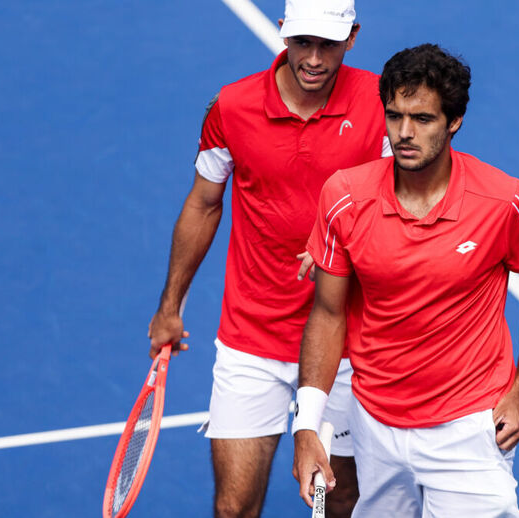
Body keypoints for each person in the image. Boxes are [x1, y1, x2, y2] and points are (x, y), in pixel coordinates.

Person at [292, 43, 519, 517]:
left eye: (422, 119)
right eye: (394, 116)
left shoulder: (503, 201)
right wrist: (308, 425)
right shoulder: (344, 197)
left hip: (468, 427)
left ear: (454, 121)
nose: (404, 133)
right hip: (375, 422)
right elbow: (328, 313)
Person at [147, 1, 391, 516]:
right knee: (233, 508)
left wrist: (340, 238)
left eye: (329, 44)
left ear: (353, 36)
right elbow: (203, 202)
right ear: (282, 33)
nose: (314, 59)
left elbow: (405, 201)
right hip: (252, 338)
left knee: (343, 498)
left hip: (349, 344)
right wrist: (171, 305)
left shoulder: (383, 103)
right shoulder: (232, 108)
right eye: (303, 42)